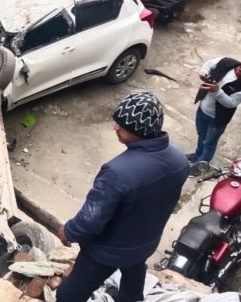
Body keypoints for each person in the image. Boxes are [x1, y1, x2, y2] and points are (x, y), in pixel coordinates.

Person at [55, 91, 189, 302]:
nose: (115, 127)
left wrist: (68, 231)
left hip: (106, 252)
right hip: (146, 243)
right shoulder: (180, 161)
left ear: (139, 130)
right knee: (132, 282)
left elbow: (91, 220)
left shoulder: (118, 172)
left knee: (68, 295)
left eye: (122, 125)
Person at [188, 57, 241, 174]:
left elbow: (231, 103)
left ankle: (201, 167)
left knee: (209, 143)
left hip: (217, 118)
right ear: (240, 70)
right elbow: (209, 63)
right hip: (203, 109)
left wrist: (217, 91)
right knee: (201, 135)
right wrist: (204, 71)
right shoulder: (226, 62)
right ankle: (197, 155)